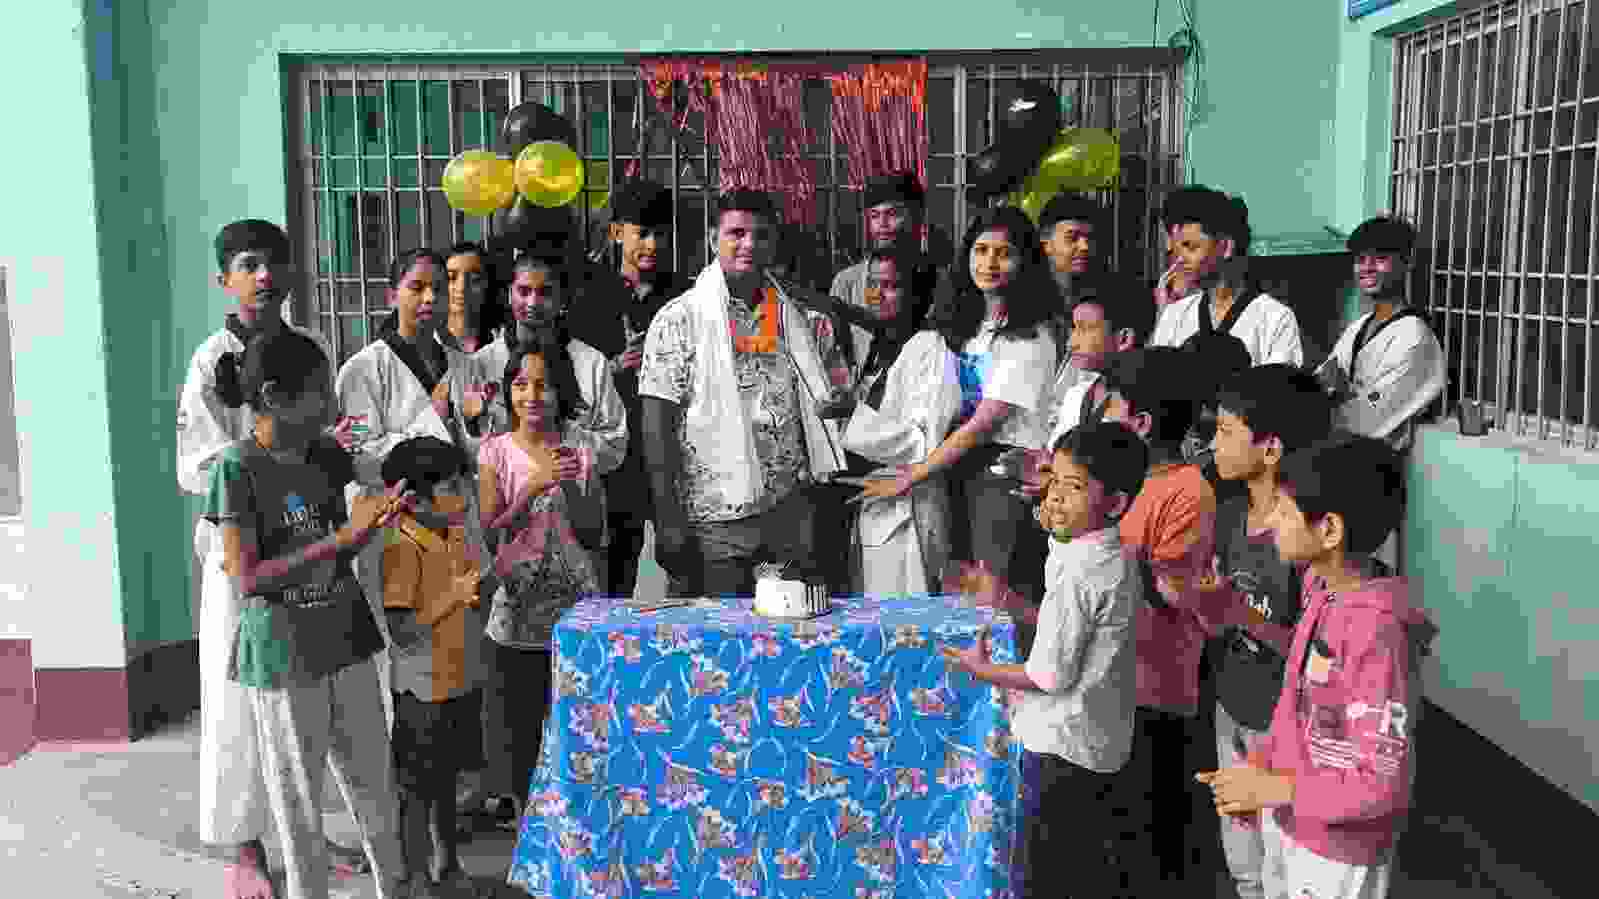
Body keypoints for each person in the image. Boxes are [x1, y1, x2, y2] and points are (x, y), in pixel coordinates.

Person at [176, 219, 373, 898]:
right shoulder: (211, 361)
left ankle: (307, 835)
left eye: (274, 264)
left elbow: (328, 433)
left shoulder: (311, 346)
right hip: (246, 551)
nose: (264, 276)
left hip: (310, 537)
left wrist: (330, 447)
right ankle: (246, 846)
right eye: (249, 264)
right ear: (224, 279)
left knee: (313, 692)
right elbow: (197, 465)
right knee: (240, 699)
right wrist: (268, 452)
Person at [208, 328, 418, 899]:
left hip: (346, 639)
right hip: (284, 656)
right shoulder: (236, 467)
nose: (330, 403)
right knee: (298, 802)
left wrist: (382, 514)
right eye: (319, 392)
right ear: (274, 397)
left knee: (375, 786)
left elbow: (370, 493)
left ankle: (396, 888)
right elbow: (247, 578)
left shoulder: (325, 453)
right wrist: (338, 543)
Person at [1198, 437, 1439, 899]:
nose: (1271, 521)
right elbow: (1296, 702)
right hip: (1295, 823)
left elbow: (1379, 784)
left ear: (1328, 530)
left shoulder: (1377, 632)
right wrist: (1259, 773)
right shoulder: (1320, 588)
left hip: (1337, 851)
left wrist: (1274, 788)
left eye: (1284, 511)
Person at [941, 421, 1147, 899]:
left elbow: (1050, 675)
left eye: (1073, 488)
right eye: (1053, 481)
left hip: (1061, 745)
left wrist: (982, 670)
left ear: (1115, 503)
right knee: (1076, 865)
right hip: (1095, 742)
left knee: (1043, 874)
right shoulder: (1109, 553)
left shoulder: (1080, 571)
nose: (1055, 497)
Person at [638, 189, 844, 596]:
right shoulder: (679, 319)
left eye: (761, 235)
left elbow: (830, 399)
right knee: (720, 630)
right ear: (713, 238)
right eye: (736, 233)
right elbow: (656, 422)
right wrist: (668, 520)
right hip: (713, 516)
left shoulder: (802, 318)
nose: (749, 244)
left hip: (788, 510)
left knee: (788, 627)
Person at [854, 206, 1058, 597]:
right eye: (981, 250)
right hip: (957, 469)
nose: (990, 263)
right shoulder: (968, 326)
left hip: (1003, 474)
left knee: (990, 597)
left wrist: (912, 475)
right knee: (956, 591)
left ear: (1025, 262)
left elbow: (983, 424)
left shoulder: (1032, 336)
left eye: (1004, 253)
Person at [1200, 364, 1336, 899]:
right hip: (1232, 705)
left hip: (1286, 727)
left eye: (1225, 431)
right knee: (1244, 859)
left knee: (1286, 864)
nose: (1213, 444)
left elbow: (1318, 656)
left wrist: (1241, 615)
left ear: (1271, 448)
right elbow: (1218, 619)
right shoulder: (1230, 515)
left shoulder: (1304, 537)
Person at [1098, 346, 1226, 896]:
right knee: (1121, 830)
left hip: (1159, 686)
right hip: (1119, 677)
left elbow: (1172, 591)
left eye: (1111, 407)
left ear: (1141, 423)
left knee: (1159, 832)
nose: (1102, 416)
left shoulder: (1186, 491)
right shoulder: (1129, 480)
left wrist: (1104, 547)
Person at [478, 337, 603, 831]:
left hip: (574, 611)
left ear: (561, 392)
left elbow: (594, 533)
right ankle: (527, 830)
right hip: (515, 615)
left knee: (575, 725)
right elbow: (489, 534)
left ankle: (571, 829)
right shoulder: (495, 452)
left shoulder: (581, 450)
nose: (531, 395)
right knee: (520, 732)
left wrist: (569, 482)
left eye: (544, 385)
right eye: (520, 384)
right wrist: (531, 487)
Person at [335, 250, 462, 730]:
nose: (429, 298)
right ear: (392, 295)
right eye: (416, 287)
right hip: (394, 531)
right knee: (402, 654)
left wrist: (462, 427)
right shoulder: (362, 370)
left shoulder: (459, 363)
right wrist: (430, 426)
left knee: (454, 653)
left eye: (438, 288)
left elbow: (474, 446)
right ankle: (402, 762)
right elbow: (360, 457)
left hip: (452, 523)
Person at [358, 435, 486, 895]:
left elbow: (477, 592)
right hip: (422, 690)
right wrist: (453, 597)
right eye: (451, 487)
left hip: (460, 680)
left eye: (464, 483)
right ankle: (415, 876)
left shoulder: (455, 532)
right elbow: (403, 630)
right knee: (416, 790)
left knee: (448, 782)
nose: (464, 495)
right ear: (414, 500)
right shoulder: (402, 546)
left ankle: (447, 864)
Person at [564, 180, 689, 600]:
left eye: (662, 234)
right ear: (618, 232)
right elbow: (572, 376)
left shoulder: (683, 297)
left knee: (683, 567)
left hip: (673, 452)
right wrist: (615, 367)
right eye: (643, 233)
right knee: (615, 573)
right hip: (616, 460)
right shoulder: (589, 296)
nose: (653, 244)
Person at [1319, 217, 1445, 574]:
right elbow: (1320, 383)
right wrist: (1330, 391)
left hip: (1373, 476)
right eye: (1361, 259)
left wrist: (1337, 393)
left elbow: (1370, 416)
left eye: (1380, 258)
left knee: (1365, 577)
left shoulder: (1414, 337)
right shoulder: (1357, 329)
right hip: (1336, 467)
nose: (1367, 268)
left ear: (1405, 263)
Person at [836, 246, 959, 594]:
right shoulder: (880, 347)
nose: (877, 294)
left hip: (908, 514)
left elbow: (926, 442)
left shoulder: (931, 347)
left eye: (891, 286)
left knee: (905, 617)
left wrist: (851, 416)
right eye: (872, 284)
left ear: (917, 293)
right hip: (877, 507)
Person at [1149, 187, 1306, 367]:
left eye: (1190, 247)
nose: (1179, 260)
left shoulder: (1275, 319)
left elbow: (1281, 384)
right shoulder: (1174, 316)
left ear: (1225, 248)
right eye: (1175, 251)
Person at [443, 241, 503, 356]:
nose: (462, 287)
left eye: (474, 279)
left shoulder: (503, 343)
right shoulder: (427, 341)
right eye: (451, 277)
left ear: (488, 284)